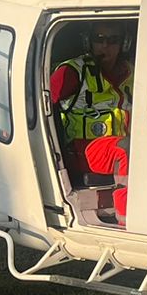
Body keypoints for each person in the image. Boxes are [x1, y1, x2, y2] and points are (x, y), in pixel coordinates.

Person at [52, 24, 132, 180]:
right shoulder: (72, 71)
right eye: (99, 39)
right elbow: (39, 101)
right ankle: (128, 204)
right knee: (127, 150)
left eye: (113, 40)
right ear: (89, 42)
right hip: (84, 149)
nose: (105, 45)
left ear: (124, 43)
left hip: (117, 145)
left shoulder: (132, 72)